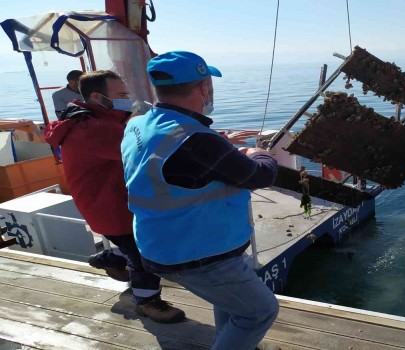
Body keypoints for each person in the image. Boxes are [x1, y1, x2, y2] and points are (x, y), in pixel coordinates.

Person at [121, 51, 279, 350]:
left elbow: (174, 157)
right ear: (204, 87)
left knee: (234, 306)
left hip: (160, 243)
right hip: (200, 255)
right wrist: (260, 154)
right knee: (259, 312)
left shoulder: (138, 123)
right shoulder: (196, 141)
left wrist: (220, 145)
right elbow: (258, 176)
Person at [44, 70, 185, 324]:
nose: (128, 99)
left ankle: (107, 258)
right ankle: (147, 302)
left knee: (136, 245)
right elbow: (146, 148)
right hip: (109, 204)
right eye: (121, 94)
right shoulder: (94, 128)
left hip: (109, 201)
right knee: (145, 253)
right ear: (98, 97)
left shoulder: (96, 118)